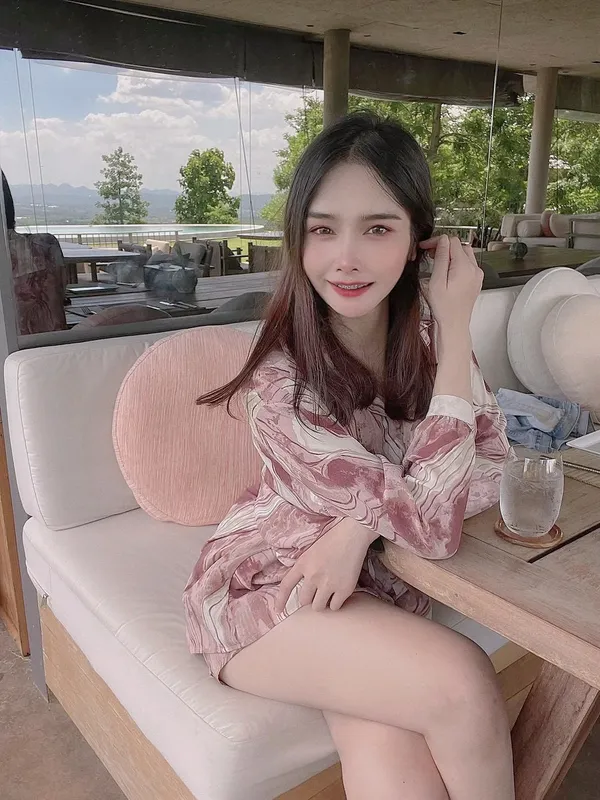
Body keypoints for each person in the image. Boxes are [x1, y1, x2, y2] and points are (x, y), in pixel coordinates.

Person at [184, 112, 512, 800]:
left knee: (394, 760)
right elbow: (432, 524)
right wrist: (381, 514)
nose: (347, 258)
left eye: (378, 229)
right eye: (323, 229)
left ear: (418, 241)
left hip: (368, 588)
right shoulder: (279, 383)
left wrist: (358, 526)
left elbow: (490, 466)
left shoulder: (431, 340)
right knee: (461, 682)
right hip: (271, 591)